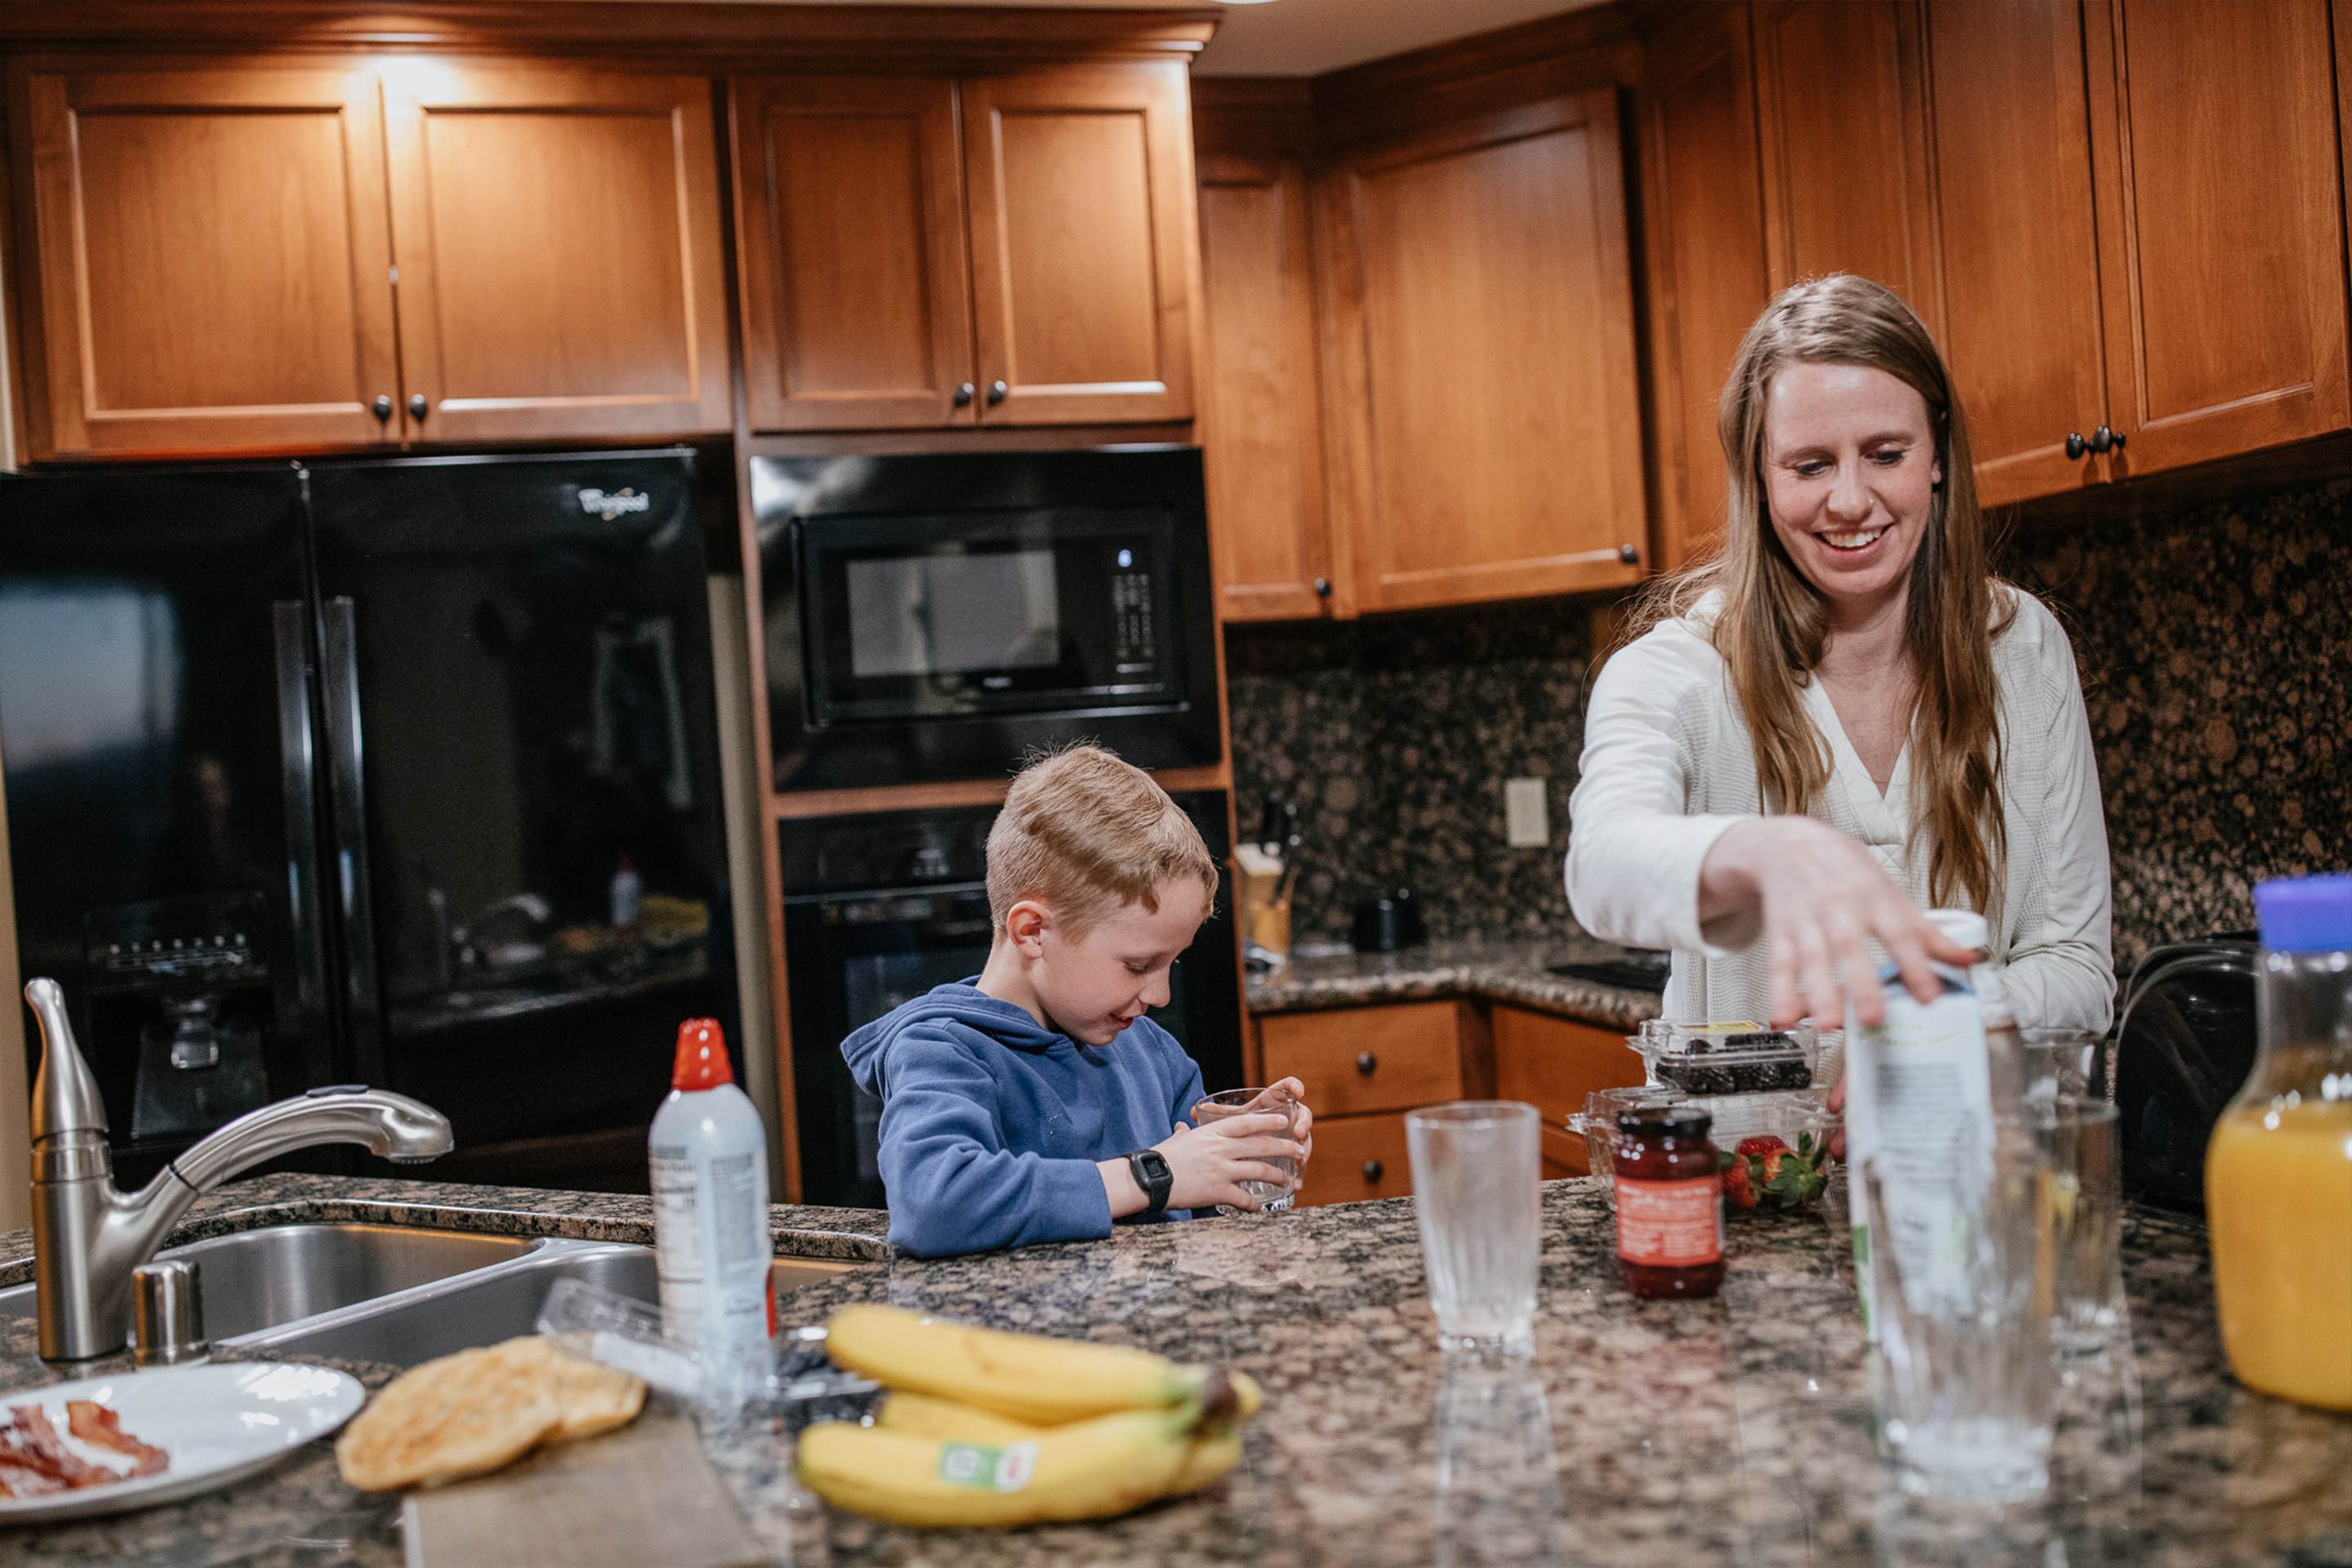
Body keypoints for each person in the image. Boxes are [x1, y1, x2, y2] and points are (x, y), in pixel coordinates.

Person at [1566, 274, 2113, 1035]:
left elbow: (2077, 967)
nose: (1851, 499)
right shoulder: (1679, 670)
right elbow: (1602, 868)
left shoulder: (2023, 649)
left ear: (1938, 457)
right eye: (1811, 465)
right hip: (1742, 1155)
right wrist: (1761, 852)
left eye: (1886, 453)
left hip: (1964, 1152)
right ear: (1759, 476)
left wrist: (1934, 1023)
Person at [844, 745, 1313, 1256]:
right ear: (1033, 932)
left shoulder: (1152, 1054)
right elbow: (935, 1205)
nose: (1160, 995)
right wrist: (1154, 1174)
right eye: (1138, 965)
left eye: (1172, 963)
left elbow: (1196, 1224)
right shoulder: (943, 1052)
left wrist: (1239, 1153)